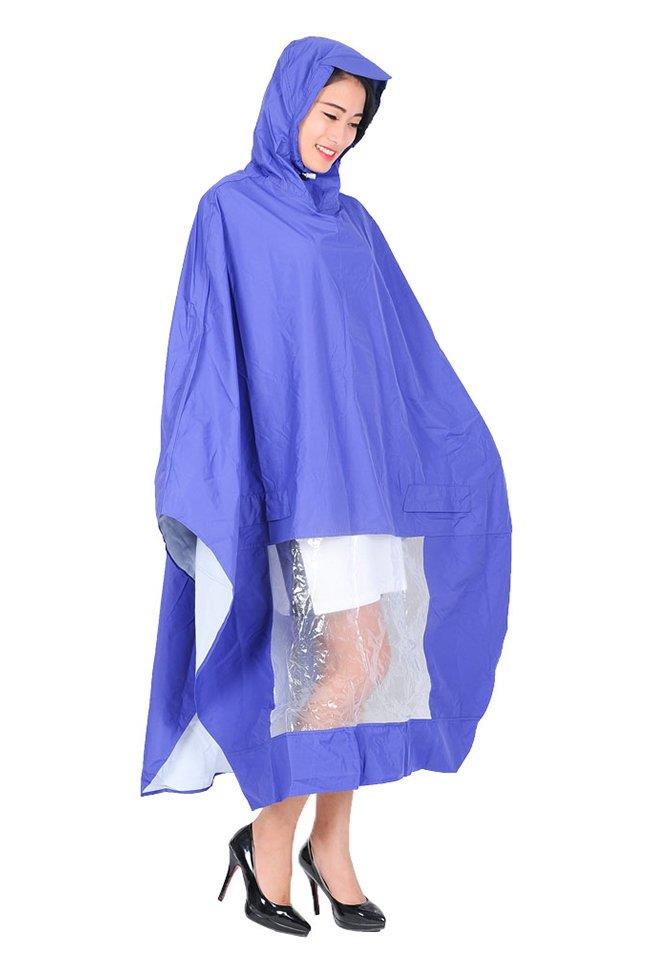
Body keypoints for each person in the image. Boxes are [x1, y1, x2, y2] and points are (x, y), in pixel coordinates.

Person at [141, 36, 512, 937]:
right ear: (291, 103)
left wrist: (452, 448)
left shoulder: (354, 225)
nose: (338, 135)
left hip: (364, 484)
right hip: (298, 481)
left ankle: (327, 846)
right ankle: (276, 842)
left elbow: (396, 354)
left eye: (353, 123)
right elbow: (209, 347)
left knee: (370, 666)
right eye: (328, 112)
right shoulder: (230, 210)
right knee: (345, 661)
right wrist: (213, 470)